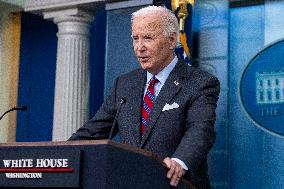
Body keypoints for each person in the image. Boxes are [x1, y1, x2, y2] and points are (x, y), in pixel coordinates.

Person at [69, 6, 220, 189]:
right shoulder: (124, 84)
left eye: (148, 38)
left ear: (172, 40)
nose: (139, 48)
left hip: (176, 183)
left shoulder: (200, 82)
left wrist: (179, 161)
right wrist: (59, 155)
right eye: (135, 38)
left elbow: (200, 130)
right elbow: (92, 132)